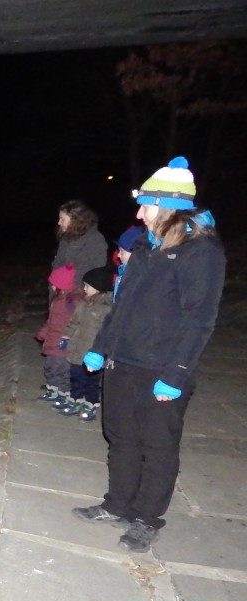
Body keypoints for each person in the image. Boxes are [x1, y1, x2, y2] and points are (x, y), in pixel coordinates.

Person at [72, 156, 226, 553]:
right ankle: (117, 505)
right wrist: (100, 347)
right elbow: (122, 306)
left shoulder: (200, 251)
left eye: (146, 206)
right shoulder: (144, 245)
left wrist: (176, 374)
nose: (139, 214)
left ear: (168, 206)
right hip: (122, 361)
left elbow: (199, 319)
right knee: (120, 436)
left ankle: (146, 518)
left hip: (161, 367)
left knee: (157, 446)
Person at [54, 265, 114, 421]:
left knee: (91, 381)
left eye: (87, 286)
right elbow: (74, 321)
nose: (84, 288)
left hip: (92, 352)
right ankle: (75, 401)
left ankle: (90, 404)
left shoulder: (106, 308)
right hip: (77, 348)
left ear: (99, 287)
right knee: (76, 377)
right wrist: (66, 336)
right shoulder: (83, 303)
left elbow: (107, 332)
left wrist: (103, 352)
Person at [35, 264, 81, 403]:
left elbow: (77, 321)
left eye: (54, 284)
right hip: (52, 340)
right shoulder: (58, 299)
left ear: (62, 285)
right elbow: (51, 321)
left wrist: (69, 336)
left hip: (63, 343)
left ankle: (64, 394)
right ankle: (53, 390)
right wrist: (43, 333)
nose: (52, 287)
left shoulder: (71, 301)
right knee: (51, 368)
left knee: (62, 370)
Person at [52, 200, 108, 291]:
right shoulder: (65, 238)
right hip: (60, 289)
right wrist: (54, 282)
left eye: (62, 219)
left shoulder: (94, 239)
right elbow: (58, 262)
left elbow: (96, 269)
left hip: (81, 291)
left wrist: (70, 283)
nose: (59, 222)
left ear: (75, 220)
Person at [111, 225, 145, 301]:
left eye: (122, 251)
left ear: (136, 252)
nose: (118, 255)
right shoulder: (124, 272)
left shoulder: (140, 278)